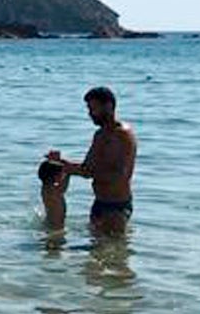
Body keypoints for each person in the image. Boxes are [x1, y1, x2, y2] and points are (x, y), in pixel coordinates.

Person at [48, 85, 137, 234]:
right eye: (89, 109)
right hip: (99, 203)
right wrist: (62, 163)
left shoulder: (121, 134)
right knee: (98, 255)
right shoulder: (100, 135)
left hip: (116, 206)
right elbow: (87, 168)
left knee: (112, 253)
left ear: (108, 106)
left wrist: (78, 170)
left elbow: (119, 175)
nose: (90, 114)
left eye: (93, 109)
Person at [37, 157, 70, 229]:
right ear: (56, 177)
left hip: (52, 224)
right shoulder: (51, 191)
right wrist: (69, 172)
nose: (63, 175)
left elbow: (62, 188)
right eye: (62, 174)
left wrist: (60, 162)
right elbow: (63, 187)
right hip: (54, 226)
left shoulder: (47, 188)